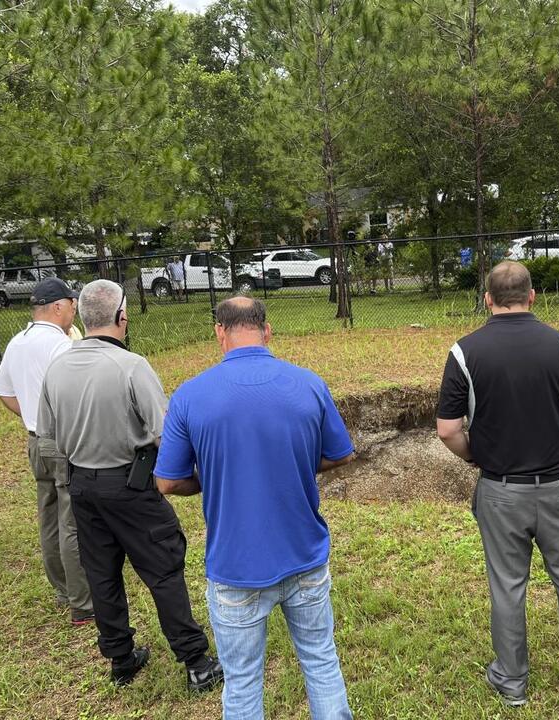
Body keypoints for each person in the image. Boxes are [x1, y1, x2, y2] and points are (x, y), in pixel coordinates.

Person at [155, 296, 355, 719]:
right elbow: (341, 454)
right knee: (321, 660)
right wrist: (298, 463)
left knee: (243, 682)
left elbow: (167, 480)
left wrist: (209, 478)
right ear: (267, 331)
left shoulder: (189, 396)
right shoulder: (309, 383)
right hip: (305, 556)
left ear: (219, 333)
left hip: (234, 568)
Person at [37, 279, 223, 691]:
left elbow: (46, 435)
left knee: (101, 574)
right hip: (131, 485)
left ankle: (120, 659)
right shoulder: (131, 366)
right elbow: (165, 434)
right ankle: (195, 661)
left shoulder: (57, 368)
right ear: (122, 316)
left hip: (81, 486)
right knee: (163, 569)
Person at [436, 261, 559, 706]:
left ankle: (511, 683)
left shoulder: (464, 351)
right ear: (532, 297)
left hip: (499, 490)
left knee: (508, 585)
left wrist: (476, 454)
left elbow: (448, 429)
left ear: (487, 299)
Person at [0, 277, 93, 625]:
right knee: (72, 521)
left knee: (48, 515)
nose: (74, 310)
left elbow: (3, 391)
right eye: (73, 304)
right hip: (63, 441)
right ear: (59, 306)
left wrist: (34, 415)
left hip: (36, 440)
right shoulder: (62, 346)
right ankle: (83, 601)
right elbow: (78, 396)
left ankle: (63, 588)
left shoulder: (18, 341)